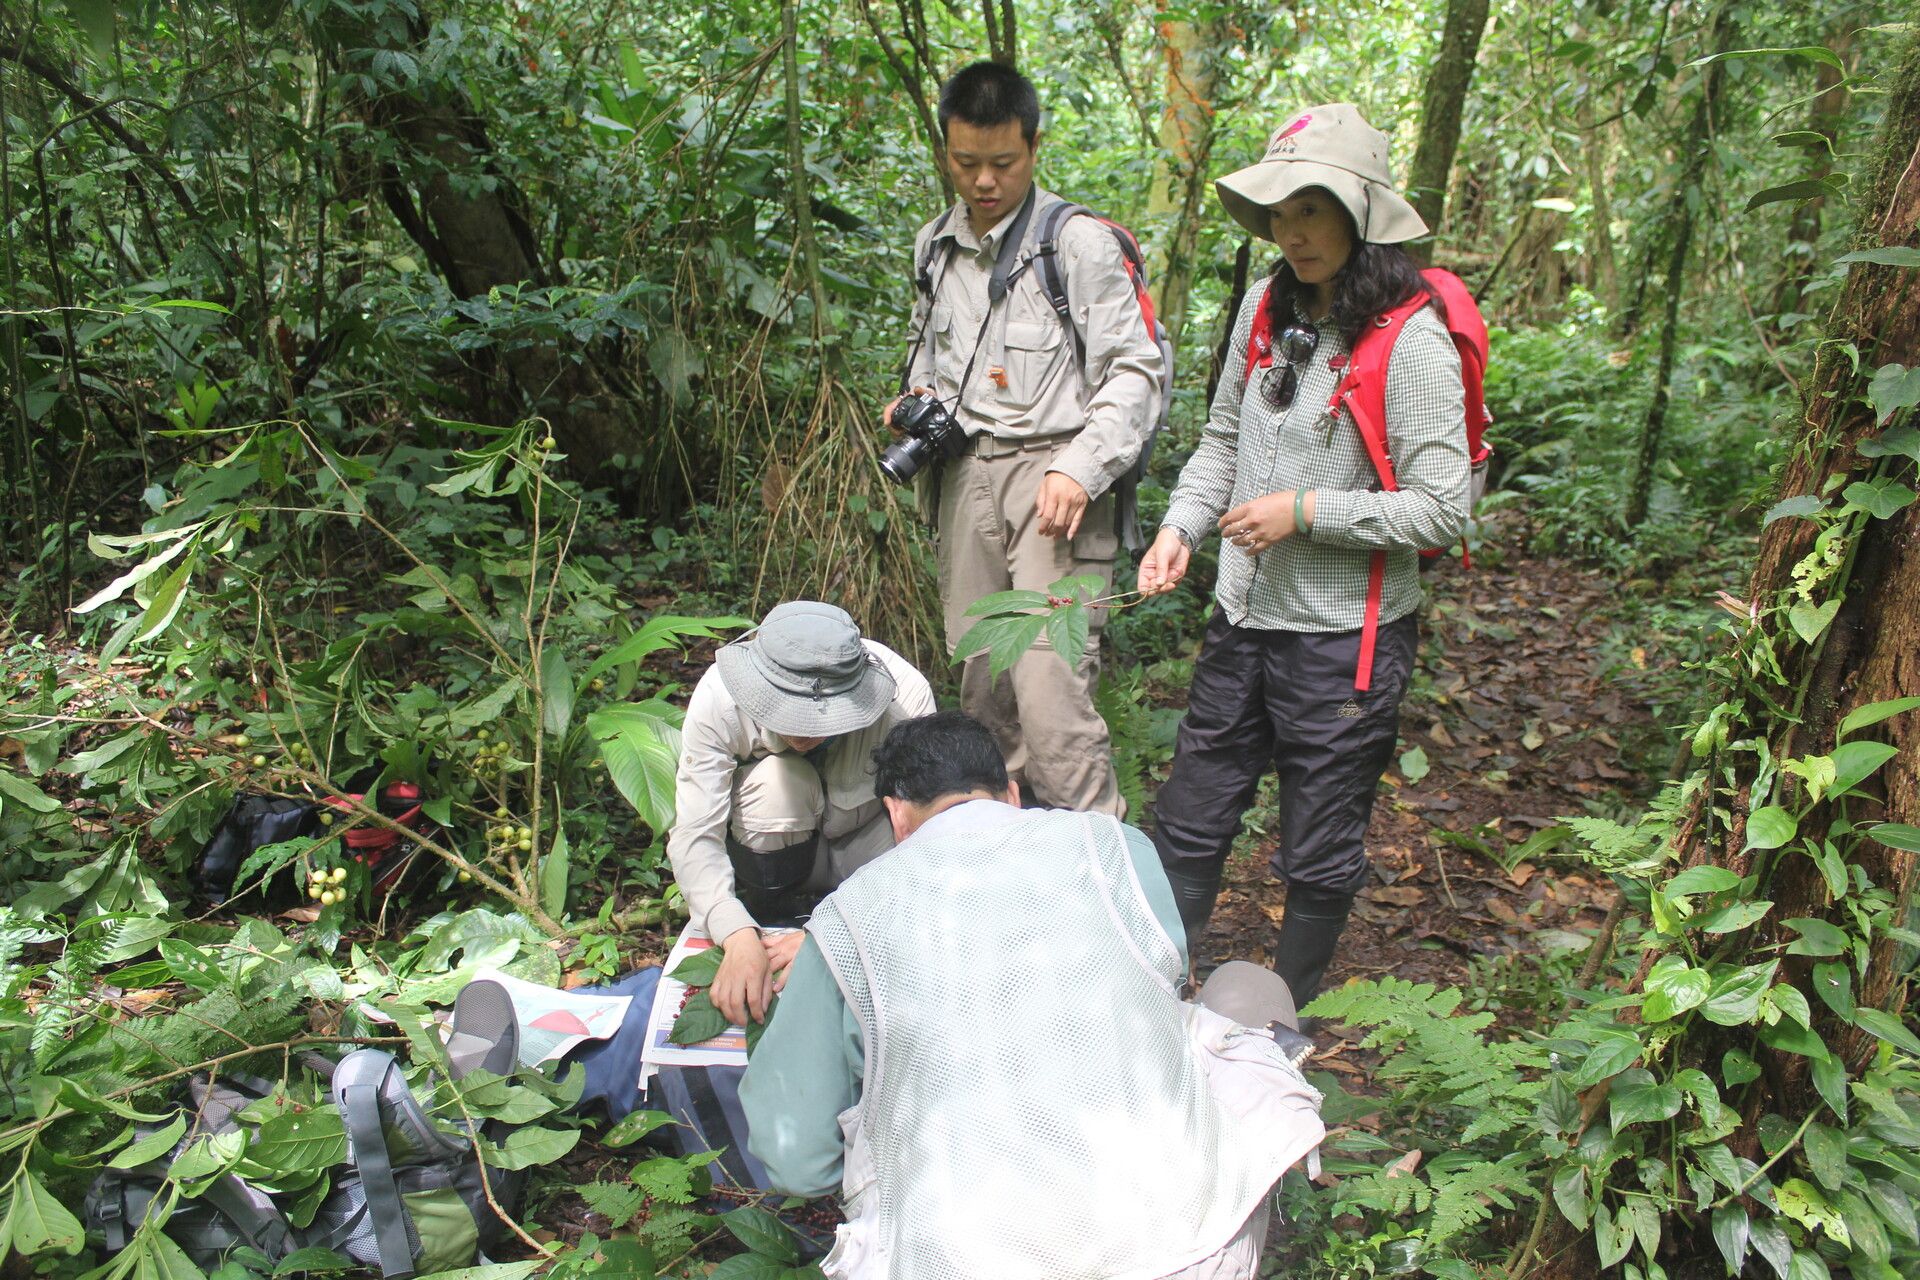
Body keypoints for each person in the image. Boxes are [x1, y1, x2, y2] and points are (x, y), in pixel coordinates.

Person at [740, 711, 1323, 1279]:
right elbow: (1163, 987)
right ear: (1012, 795)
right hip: (1184, 1249)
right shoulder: (1112, 846)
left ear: (896, 815)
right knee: (1245, 988)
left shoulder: (848, 919)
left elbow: (798, 1160)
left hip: (954, 1259)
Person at [1138, 104, 1471, 1008]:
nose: (1293, 232)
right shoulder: (1266, 305)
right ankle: (1157, 999)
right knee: (1191, 814)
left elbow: (1443, 506)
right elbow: (1221, 439)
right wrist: (1180, 528)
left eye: (1313, 210)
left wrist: (1306, 513)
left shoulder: (1410, 339)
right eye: (1280, 213)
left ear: (1361, 213)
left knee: (1318, 845)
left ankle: (1287, 1020)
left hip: (1343, 640)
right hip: (1241, 616)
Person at [886, 61, 1164, 816]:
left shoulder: (1076, 246)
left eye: (1003, 163)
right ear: (946, 151)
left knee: (1051, 697)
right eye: (965, 162)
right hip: (962, 481)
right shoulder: (934, 247)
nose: (983, 181)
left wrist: (1081, 468)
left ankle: (1096, 856)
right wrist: (915, 402)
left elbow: (1135, 373)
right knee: (985, 690)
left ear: (1034, 148)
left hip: (1053, 486)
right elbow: (928, 357)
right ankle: (1005, 855)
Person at [666, 601, 934, 1027]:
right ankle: (773, 913)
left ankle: (836, 919)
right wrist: (735, 933)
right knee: (777, 781)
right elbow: (696, 832)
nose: (804, 732)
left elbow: (928, 841)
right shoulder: (720, 700)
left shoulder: (904, 698)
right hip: (778, 852)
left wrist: (844, 931)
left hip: (864, 857)